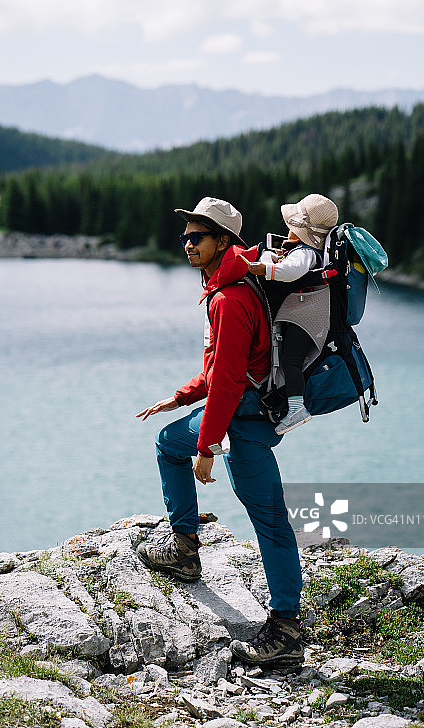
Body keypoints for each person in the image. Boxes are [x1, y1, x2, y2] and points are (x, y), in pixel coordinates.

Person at [136, 197, 304, 668]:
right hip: (236, 413)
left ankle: (286, 629)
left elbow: (229, 380)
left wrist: (208, 447)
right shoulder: (228, 285)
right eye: (185, 236)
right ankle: (185, 549)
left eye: (197, 237)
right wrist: (182, 396)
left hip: (243, 424)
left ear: (224, 241)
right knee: (169, 442)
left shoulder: (230, 298)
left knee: (270, 520)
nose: (186, 244)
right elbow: (218, 371)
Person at [244, 193, 338, 435]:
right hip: (307, 314)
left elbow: (290, 271)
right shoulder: (303, 251)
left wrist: (265, 267)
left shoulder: (304, 252)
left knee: (291, 361)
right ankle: (291, 403)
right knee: (291, 360)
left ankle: (297, 408)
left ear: (301, 232)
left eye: (291, 226)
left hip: (307, 316)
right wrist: (269, 255)